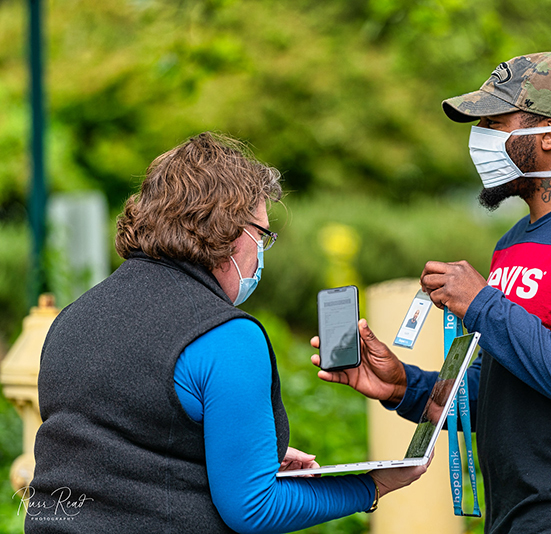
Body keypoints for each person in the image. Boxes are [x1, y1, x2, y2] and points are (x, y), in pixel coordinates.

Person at [312, 52, 551, 533]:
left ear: (549, 133)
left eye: (493, 121)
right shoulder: (514, 242)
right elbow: (502, 394)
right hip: (518, 517)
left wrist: (484, 305)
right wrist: (403, 385)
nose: (478, 138)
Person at [27, 132, 427, 533]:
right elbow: (254, 507)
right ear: (230, 229)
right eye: (262, 234)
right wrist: (370, 487)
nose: (262, 250)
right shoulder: (226, 336)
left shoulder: (73, 318)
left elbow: (121, 443)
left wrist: (239, 450)